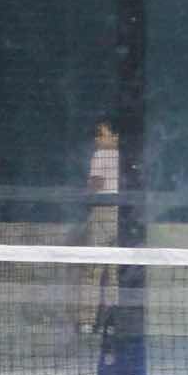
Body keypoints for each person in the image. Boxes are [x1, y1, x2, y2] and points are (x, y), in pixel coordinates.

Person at [78, 118, 120, 329]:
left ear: (115, 136)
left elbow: (96, 184)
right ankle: (111, 323)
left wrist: (84, 194)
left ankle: (87, 322)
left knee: (92, 270)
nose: (97, 139)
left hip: (103, 212)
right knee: (114, 273)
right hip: (121, 216)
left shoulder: (101, 155)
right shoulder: (126, 158)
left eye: (102, 134)